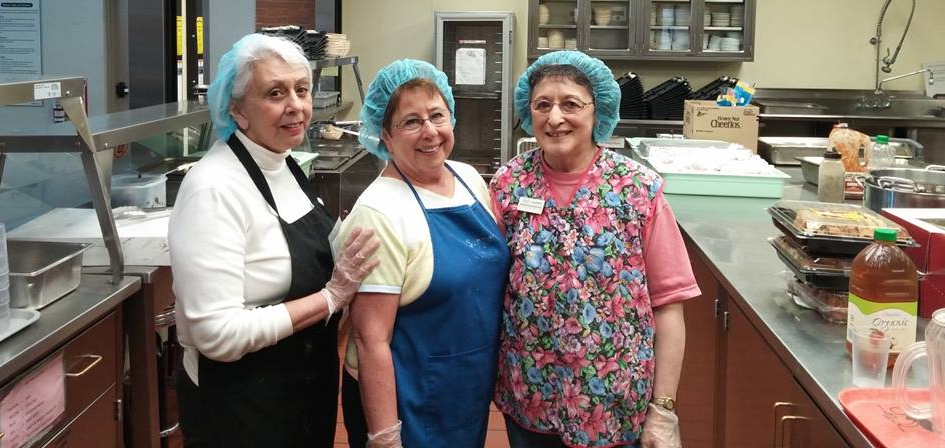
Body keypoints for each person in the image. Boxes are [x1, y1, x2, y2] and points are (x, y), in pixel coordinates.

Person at [168, 33, 379, 448]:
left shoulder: (283, 163)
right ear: (237, 110)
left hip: (302, 394)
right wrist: (331, 297)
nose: (296, 106)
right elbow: (218, 334)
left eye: (302, 90)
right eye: (275, 93)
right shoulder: (214, 188)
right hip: (241, 408)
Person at [491, 51, 700, 448]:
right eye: (542, 105)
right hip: (530, 397)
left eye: (570, 104)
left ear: (597, 109)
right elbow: (486, 284)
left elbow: (669, 304)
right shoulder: (508, 185)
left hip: (615, 403)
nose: (555, 118)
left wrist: (664, 408)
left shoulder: (639, 190)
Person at [338, 59, 509, 448]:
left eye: (437, 116)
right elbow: (371, 340)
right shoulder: (379, 212)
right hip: (406, 399)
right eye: (411, 122)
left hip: (464, 388)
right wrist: (385, 436)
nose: (429, 132)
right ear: (385, 135)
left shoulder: (468, 178)